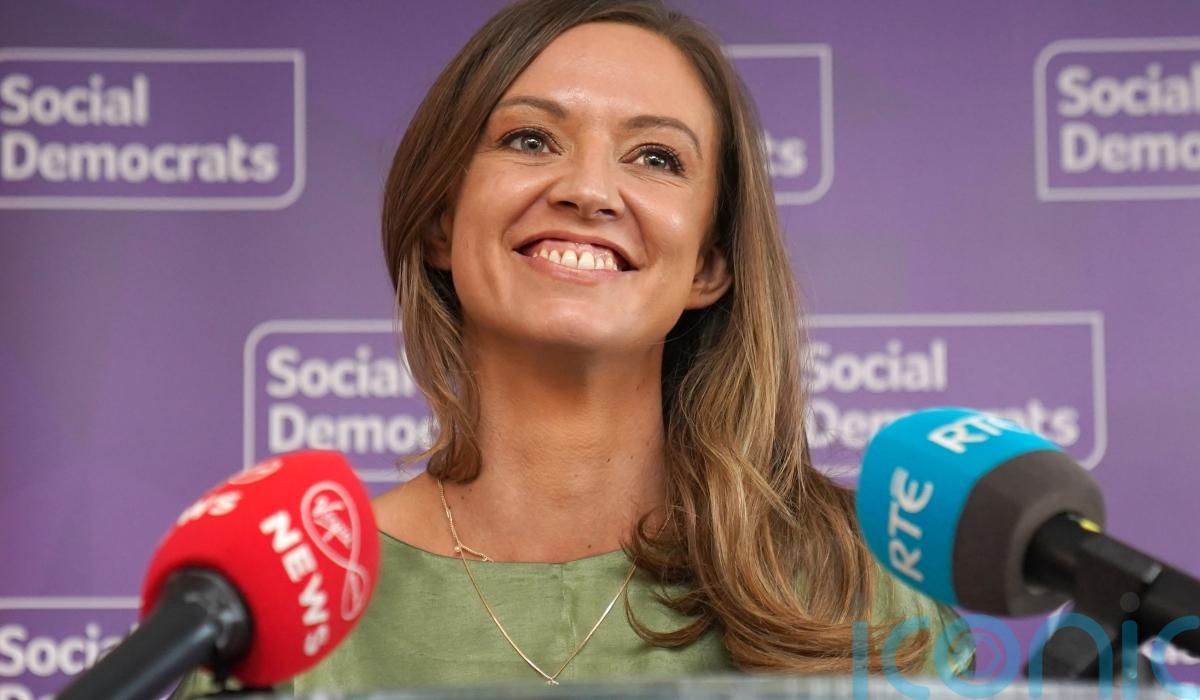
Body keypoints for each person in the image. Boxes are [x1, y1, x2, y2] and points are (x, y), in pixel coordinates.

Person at [175, 0, 971, 695]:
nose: (588, 190)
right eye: (530, 140)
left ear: (709, 263)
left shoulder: (861, 587)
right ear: (441, 222)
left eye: (656, 158)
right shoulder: (283, 602)